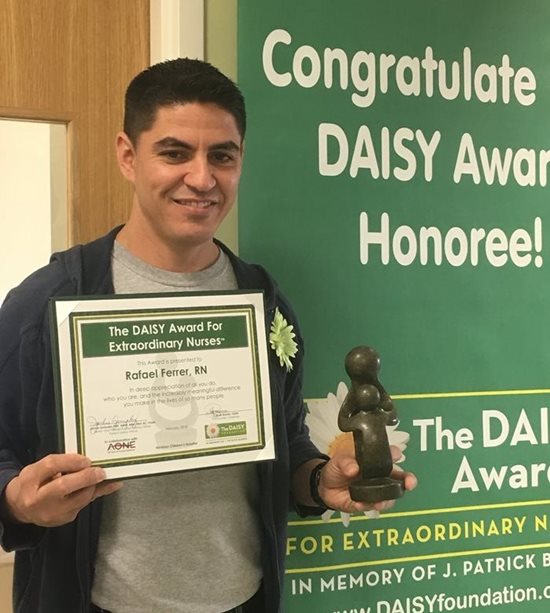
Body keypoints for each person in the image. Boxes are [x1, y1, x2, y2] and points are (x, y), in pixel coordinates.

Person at [0, 58, 416, 613]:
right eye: (174, 153)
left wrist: (319, 481)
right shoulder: (48, 302)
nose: (201, 178)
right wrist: (19, 501)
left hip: (243, 601)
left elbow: (281, 443)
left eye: (222, 155)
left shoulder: (264, 303)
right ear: (128, 155)